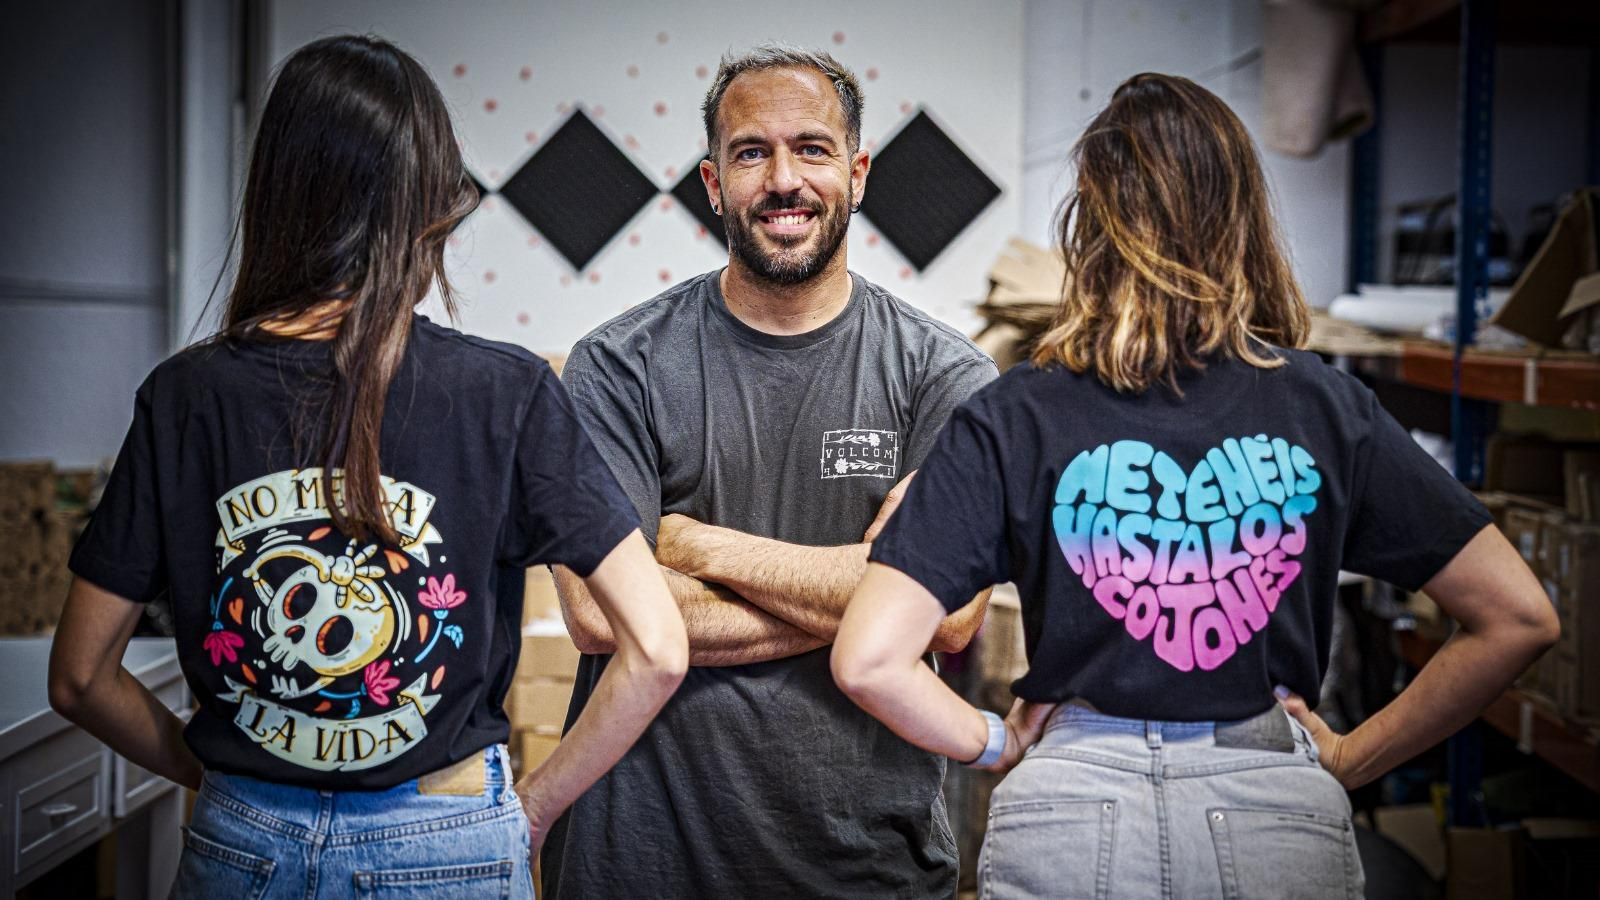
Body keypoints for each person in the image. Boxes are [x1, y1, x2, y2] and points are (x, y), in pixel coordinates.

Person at [832, 72, 1560, 898]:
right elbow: (1520, 617)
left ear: (1089, 225)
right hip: (1272, 808)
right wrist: (1356, 754)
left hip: (1070, 804)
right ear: (1243, 216)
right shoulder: (1323, 407)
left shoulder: (1014, 414)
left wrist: (993, 740)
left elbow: (868, 661)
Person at [47, 35, 687, 898]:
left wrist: (224, 783)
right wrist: (528, 811)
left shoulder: (185, 396)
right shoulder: (508, 392)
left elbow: (81, 678)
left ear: (278, 193)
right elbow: (657, 649)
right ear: (427, 203)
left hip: (243, 842)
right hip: (448, 837)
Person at [539, 43, 996, 900]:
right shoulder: (616, 367)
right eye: (751, 152)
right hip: (638, 863)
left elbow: (954, 616)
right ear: (713, 183)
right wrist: (875, 598)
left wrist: (691, 545)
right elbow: (601, 615)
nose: (784, 179)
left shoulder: (946, 377)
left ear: (857, 174)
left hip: (867, 866)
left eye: (812, 149)